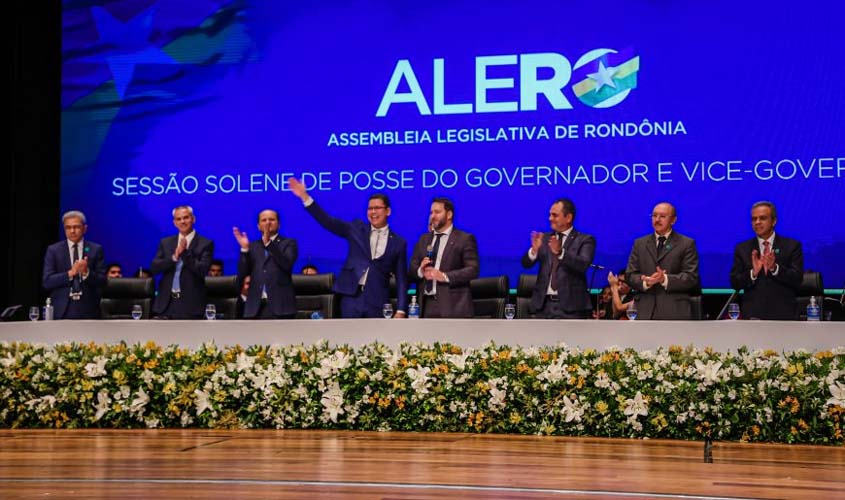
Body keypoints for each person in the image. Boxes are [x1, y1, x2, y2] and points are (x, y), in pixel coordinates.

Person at [288, 177, 408, 318]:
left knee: (375, 340)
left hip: (378, 301)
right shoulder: (356, 228)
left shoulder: (399, 242)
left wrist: (401, 310)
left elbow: (401, 279)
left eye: (377, 208)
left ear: (388, 211)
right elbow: (329, 222)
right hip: (351, 298)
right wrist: (305, 197)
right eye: (370, 208)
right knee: (348, 339)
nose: (373, 212)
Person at [521, 199, 595, 319]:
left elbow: (583, 264)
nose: (550, 218)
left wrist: (561, 252)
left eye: (555, 215)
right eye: (550, 214)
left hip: (571, 309)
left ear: (568, 217)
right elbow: (525, 264)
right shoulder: (544, 238)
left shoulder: (585, 240)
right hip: (543, 307)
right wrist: (533, 251)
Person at [729, 201, 803, 320]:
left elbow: (797, 279)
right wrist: (753, 273)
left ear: (774, 221)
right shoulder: (743, 248)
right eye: (754, 219)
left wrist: (775, 268)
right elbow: (735, 282)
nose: (757, 222)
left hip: (784, 315)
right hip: (753, 315)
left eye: (762, 218)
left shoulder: (792, 246)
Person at [625, 202, 700, 320]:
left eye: (662, 216)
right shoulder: (640, 243)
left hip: (674, 311)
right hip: (644, 311)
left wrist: (664, 279)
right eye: (654, 216)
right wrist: (646, 282)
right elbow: (630, 275)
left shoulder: (686, 244)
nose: (657, 220)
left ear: (673, 220)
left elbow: (691, 277)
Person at [409, 197, 480, 318]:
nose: (432, 216)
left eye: (437, 212)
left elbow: (473, 270)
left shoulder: (464, 239)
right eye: (431, 212)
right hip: (425, 306)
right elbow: (411, 270)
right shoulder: (424, 239)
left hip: (453, 307)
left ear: (449, 214)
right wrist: (421, 270)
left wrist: (444, 276)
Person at [151, 206, 214, 319]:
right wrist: (174, 258)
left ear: (193, 219)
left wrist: (184, 253)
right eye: (178, 219)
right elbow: (155, 267)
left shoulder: (205, 243)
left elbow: (202, 270)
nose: (182, 221)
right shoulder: (166, 242)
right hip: (166, 303)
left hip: (191, 304)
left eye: (186, 218)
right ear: (174, 222)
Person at [41, 210, 107, 319]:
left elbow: (103, 281)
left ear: (84, 228)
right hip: (61, 309)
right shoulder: (53, 250)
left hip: (88, 309)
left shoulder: (95, 249)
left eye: (76, 227)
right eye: (68, 227)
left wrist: (86, 273)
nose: (72, 231)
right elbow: (47, 281)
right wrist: (70, 273)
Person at [233, 209, 298, 319]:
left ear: (279, 224)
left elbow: (286, 264)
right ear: (258, 226)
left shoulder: (289, 243)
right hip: (255, 307)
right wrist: (244, 250)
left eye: (272, 219)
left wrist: (268, 243)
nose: (268, 222)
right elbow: (243, 273)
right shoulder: (252, 246)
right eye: (264, 220)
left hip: (281, 307)